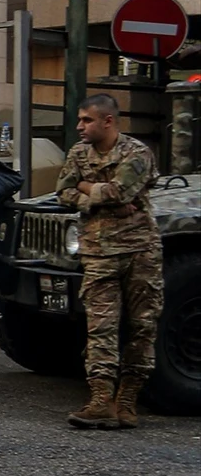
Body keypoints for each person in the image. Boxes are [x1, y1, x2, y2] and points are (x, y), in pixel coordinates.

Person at [58, 93, 163, 430]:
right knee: (100, 328)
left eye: (86, 120)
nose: (80, 126)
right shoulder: (78, 152)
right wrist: (100, 197)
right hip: (98, 252)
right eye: (80, 119)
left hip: (139, 251)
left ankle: (128, 399)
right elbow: (63, 192)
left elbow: (122, 191)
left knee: (141, 326)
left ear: (108, 121)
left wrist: (88, 188)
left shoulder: (137, 153)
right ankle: (102, 399)